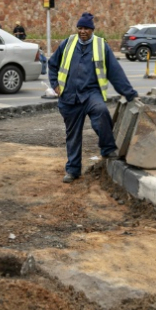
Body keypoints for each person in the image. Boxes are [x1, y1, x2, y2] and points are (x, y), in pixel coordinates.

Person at [48, 12, 138, 183]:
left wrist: (129, 93)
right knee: (73, 136)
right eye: (80, 28)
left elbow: (115, 72)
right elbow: (52, 64)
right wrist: (55, 84)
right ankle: (73, 170)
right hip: (69, 97)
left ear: (92, 30)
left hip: (91, 93)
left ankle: (107, 148)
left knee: (102, 112)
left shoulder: (100, 46)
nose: (83, 31)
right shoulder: (67, 43)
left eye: (86, 29)